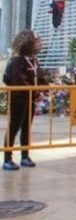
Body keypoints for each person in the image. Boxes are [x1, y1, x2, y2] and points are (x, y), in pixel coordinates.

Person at [3, 30, 44, 170]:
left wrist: (45, 88)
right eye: (37, 41)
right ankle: (7, 158)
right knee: (14, 127)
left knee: (27, 128)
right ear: (28, 43)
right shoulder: (16, 62)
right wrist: (35, 94)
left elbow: (40, 78)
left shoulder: (34, 61)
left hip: (30, 99)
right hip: (18, 100)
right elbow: (19, 81)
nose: (40, 44)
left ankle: (25, 156)